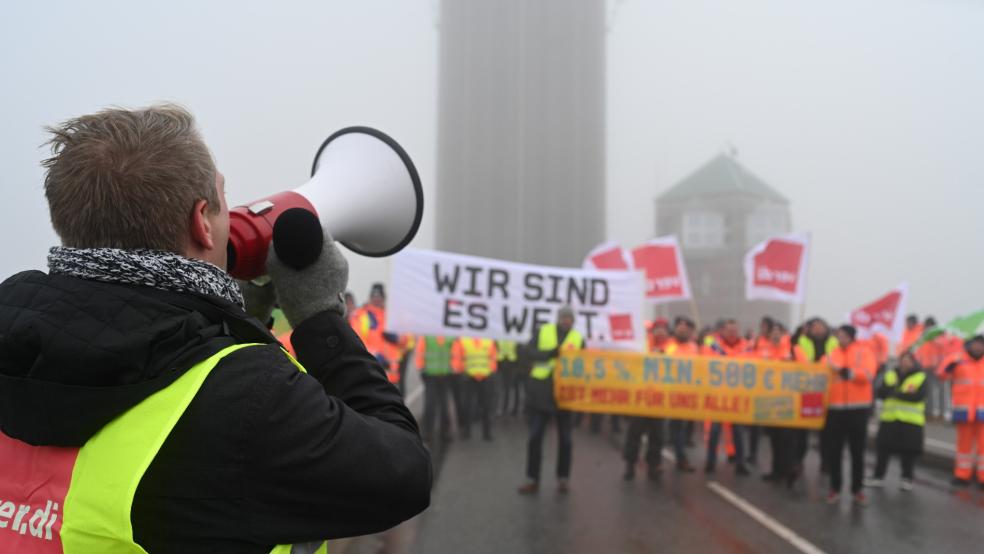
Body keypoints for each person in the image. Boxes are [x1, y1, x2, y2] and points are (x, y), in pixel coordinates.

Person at [0, 105, 430, 552]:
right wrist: (320, 318)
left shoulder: (14, 347)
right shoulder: (249, 399)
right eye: (225, 203)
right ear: (202, 222)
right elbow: (404, 475)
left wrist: (238, 318)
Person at [518, 306, 584, 495]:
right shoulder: (543, 331)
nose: (566, 320)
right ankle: (532, 479)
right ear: (558, 318)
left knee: (566, 440)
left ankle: (563, 479)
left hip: (565, 396)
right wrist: (549, 354)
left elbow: (585, 366)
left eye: (569, 318)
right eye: (563, 317)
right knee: (535, 437)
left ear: (573, 320)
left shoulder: (578, 339)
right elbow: (528, 352)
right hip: (541, 392)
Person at [825, 324, 876, 505]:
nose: (840, 338)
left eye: (843, 335)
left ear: (851, 337)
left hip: (858, 410)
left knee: (857, 452)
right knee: (835, 452)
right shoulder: (832, 353)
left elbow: (870, 373)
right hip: (836, 409)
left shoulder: (864, 352)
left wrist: (851, 373)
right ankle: (834, 488)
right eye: (838, 335)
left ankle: (857, 490)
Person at [866, 351, 926, 491]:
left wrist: (895, 393)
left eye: (908, 360)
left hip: (911, 420)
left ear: (913, 362)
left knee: (909, 452)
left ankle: (907, 478)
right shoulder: (891, 374)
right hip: (890, 418)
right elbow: (880, 392)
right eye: (903, 360)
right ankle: (878, 477)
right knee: (883, 449)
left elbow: (918, 396)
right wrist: (901, 394)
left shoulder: (920, 376)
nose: (905, 363)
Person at [623, 319, 670, 480]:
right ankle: (630, 464)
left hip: (660, 399)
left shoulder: (670, 347)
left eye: (664, 329)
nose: (661, 332)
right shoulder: (642, 345)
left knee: (657, 436)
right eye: (658, 329)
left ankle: (653, 466)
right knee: (634, 433)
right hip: (641, 397)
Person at [702, 319, 750, 476]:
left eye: (735, 331)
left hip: (738, 396)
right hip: (717, 396)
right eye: (729, 331)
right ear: (722, 331)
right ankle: (710, 462)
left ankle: (740, 463)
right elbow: (703, 365)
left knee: (738, 431)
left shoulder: (746, 347)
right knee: (714, 430)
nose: (732, 334)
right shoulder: (712, 347)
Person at [936, 335, 984, 487]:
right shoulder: (956, 359)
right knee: (964, 446)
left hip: (982, 411)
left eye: (981, 345)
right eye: (976, 344)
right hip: (963, 410)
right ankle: (962, 476)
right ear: (969, 345)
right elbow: (941, 375)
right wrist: (949, 365)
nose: (978, 347)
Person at [794, 317, 838, 476]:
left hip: (828, 392)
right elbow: (800, 360)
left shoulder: (835, 343)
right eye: (815, 327)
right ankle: (798, 460)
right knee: (801, 431)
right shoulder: (802, 342)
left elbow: (836, 362)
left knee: (827, 432)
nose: (818, 329)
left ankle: (826, 462)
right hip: (807, 390)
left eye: (821, 326)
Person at [665, 316, 699, 472]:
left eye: (686, 328)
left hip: (686, 393)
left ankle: (680, 456)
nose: (682, 329)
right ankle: (679, 458)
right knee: (672, 427)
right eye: (680, 326)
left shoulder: (694, 347)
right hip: (667, 392)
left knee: (678, 427)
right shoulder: (668, 345)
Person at [352, 283, 403, 385]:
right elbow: (357, 341)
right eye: (374, 296)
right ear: (370, 297)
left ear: (383, 298)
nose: (377, 299)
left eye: (379, 296)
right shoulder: (362, 315)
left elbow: (407, 339)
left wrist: (398, 339)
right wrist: (376, 355)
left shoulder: (391, 315)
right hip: (372, 371)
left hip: (392, 374)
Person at [452, 336, 498, 440]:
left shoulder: (489, 340)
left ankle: (486, 432)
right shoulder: (462, 340)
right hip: (469, 377)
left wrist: (491, 372)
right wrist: (460, 372)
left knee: (486, 406)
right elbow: (457, 357)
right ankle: (467, 431)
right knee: (468, 405)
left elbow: (493, 358)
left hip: (485, 377)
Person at [416, 335, 455, 443]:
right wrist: (421, 369)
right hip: (430, 375)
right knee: (430, 404)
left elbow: (455, 354)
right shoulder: (427, 337)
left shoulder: (450, 337)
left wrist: (454, 369)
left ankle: (445, 431)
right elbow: (420, 353)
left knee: (444, 405)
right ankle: (428, 431)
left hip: (445, 374)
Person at [497, 339, 523, 416]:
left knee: (512, 388)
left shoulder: (515, 335)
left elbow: (519, 350)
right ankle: (503, 408)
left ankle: (512, 409)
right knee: (503, 388)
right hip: (501, 362)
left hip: (513, 363)